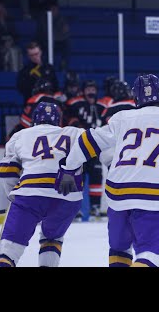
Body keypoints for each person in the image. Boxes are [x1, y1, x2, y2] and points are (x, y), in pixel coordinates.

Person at [55, 74, 159, 267]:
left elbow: (89, 140)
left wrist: (69, 167)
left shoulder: (122, 117)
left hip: (118, 194)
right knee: (151, 255)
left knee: (119, 252)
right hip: (152, 196)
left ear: (136, 97)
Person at [0, 102, 84, 267]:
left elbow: (6, 172)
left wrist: (13, 195)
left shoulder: (20, 135)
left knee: (7, 251)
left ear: (34, 119)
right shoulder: (75, 132)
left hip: (30, 196)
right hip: (68, 197)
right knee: (52, 239)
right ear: (58, 120)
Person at [65, 80, 106, 217]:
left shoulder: (101, 107)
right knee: (78, 177)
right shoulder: (75, 103)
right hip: (79, 146)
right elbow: (68, 118)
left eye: (93, 88)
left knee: (96, 177)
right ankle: (74, 209)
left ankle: (95, 207)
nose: (91, 91)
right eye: (88, 88)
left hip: (95, 148)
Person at [36, 2, 70, 71]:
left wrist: (64, 31)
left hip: (58, 41)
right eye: (53, 9)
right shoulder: (43, 19)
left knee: (67, 44)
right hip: (45, 42)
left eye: (56, 9)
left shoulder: (61, 18)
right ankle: (46, 67)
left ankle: (63, 63)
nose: (54, 11)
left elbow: (64, 32)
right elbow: (43, 32)